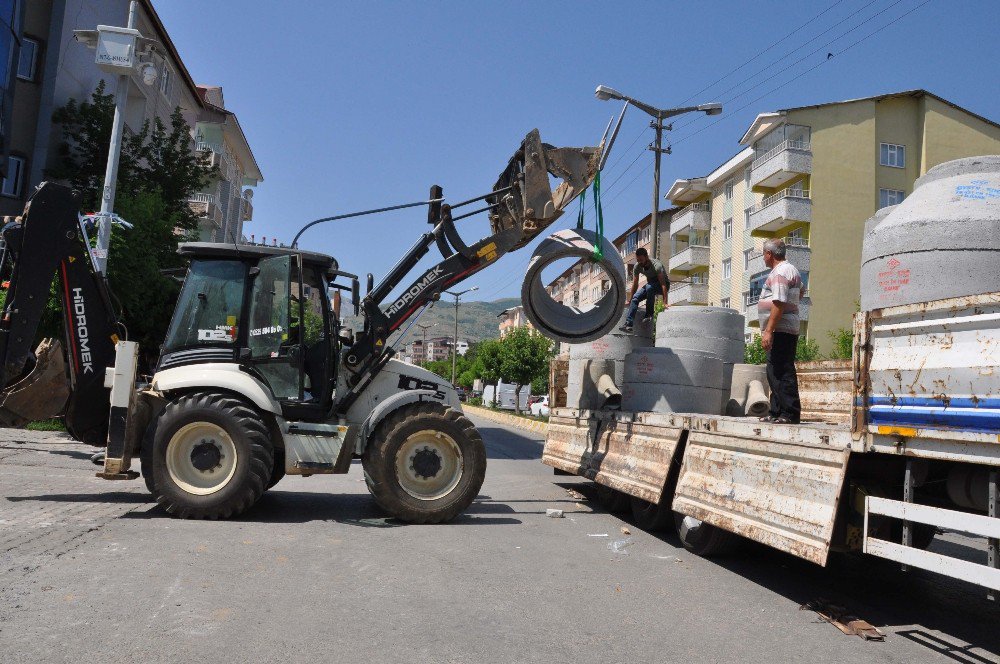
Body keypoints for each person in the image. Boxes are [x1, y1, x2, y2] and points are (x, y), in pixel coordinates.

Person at [757, 239, 803, 424]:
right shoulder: (790, 270)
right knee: (774, 370)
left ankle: (790, 413)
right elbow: (800, 292)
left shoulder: (781, 272)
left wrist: (769, 330)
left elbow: (779, 301)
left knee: (782, 370)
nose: (763, 257)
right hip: (783, 327)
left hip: (780, 330)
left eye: (763, 254)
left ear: (769, 254)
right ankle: (777, 411)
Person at [620, 247, 669, 332]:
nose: (640, 262)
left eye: (641, 260)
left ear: (646, 257)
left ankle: (649, 314)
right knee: (635, 298)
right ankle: (629, 324)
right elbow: (635, 284)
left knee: (650, 287)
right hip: (650, 285)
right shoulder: (637, 266)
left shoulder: (657, 266)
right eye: (638, 260)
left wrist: (665, 302)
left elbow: (663, 284)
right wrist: (630, 300)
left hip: (661, 286)